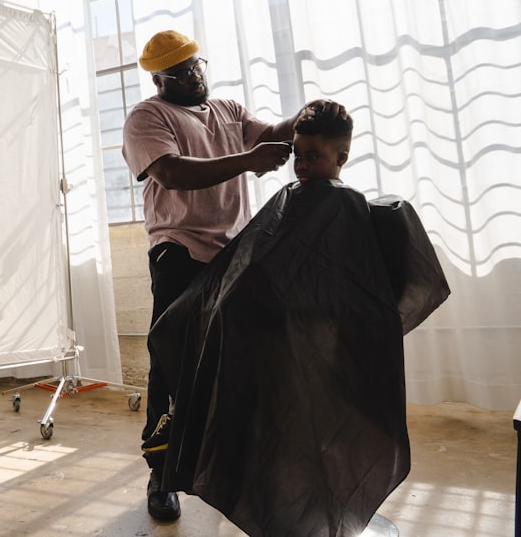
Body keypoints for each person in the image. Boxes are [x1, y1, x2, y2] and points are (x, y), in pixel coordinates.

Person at [147, 106, 449, 536]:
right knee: (287, 431)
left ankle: (320, 513)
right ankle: (292, 511)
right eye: (298, 157)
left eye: (314, 157)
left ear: (341, 157)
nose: (303, 166)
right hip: (286, 336)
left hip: (320, 338)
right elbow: (255, 270)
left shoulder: (339, 205)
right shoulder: (296, 199)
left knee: (316, 429)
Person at [121, 29, 346, 521]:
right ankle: (162, 472)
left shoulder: (227, 110)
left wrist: (305, 118)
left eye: (196, 66)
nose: (192, 76)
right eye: (179, 73)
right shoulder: (148, 117)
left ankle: (243, 459)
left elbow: (273, 135)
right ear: (159, 80)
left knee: (244, 355)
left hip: (235, 253)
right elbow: (173, 173)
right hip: (178, 251)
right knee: (172, 358)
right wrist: (247, 161)